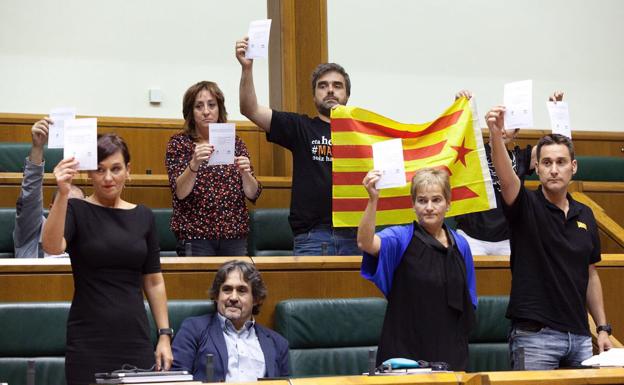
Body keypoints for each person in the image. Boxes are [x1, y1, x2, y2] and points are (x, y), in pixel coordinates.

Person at [486, 105, 612, 370]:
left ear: (573, 167)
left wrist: (602, 328)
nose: (554, 169)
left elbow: (590, 275)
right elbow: (507, 179)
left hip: (579, 337)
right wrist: (496, 136)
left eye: (560, 162)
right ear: (538, 168)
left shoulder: (586, 214)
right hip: (535, 338)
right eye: (546, 163)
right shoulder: (524, 205)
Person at [42, 133, 173, 385]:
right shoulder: (76, 210)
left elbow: (154, 280)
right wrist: (62, 193)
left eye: (116, 169)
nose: (108, 178)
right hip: (88, 340)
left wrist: (164, 334)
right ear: (89, 173)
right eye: (99, 170)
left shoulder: (144, 216)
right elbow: (51, 245)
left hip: (135, 338)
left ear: (128, 170)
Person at [236, 36, 359, 256]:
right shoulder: (300, 127)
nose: (330, 90)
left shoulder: (363, 133)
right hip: (312, 237)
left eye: (337, 86)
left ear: (347, 95)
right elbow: (250, 109)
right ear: (314, 96)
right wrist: (247, 68)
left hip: (356, 236)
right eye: (323, 86)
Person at [358, 168, 477, 370]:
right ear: (413, 205)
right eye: (422, 200)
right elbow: (365, 243)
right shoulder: (400, 238)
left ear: (449, 203)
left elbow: (469, 300)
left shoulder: (461, 245)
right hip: (405, 350)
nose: (429, 207)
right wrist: (373, 200)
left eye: (436, 200)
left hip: (450, 349)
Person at [453, 90, 554, 256]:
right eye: (500, 121)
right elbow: (455, 137)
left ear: (516, 133)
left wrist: (556, 112)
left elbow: (554, 148)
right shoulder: (472, 151)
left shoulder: (521, 157)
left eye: (509, 124)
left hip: (507, 238)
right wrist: (459, 107)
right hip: (472, 236)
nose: (503, 128)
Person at [166, 81, 261, 256]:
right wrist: (193, 164)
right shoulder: (179, 144)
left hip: (234, 234)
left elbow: (253, 193)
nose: (206, 112)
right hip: (195, 236)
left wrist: (246, 174)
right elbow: (179, 192)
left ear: (220, 109)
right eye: (199, 106)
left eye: (211, 105)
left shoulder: (235, 142)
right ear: (190, 112)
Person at [172, 260, 289, 382]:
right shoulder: (193, 329)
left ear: (256, 299)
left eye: (242, 290)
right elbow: (176, 380)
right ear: (217, 296)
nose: (233, 298)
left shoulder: (278, 344)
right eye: (227, 289)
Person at [13, 117, 84, 258]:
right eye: (68, 206)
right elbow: (31, 194)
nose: (72, 213)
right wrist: (38, 147)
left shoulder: (88, 237)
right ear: (52, 208)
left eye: (78, 207)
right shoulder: (32, 231)